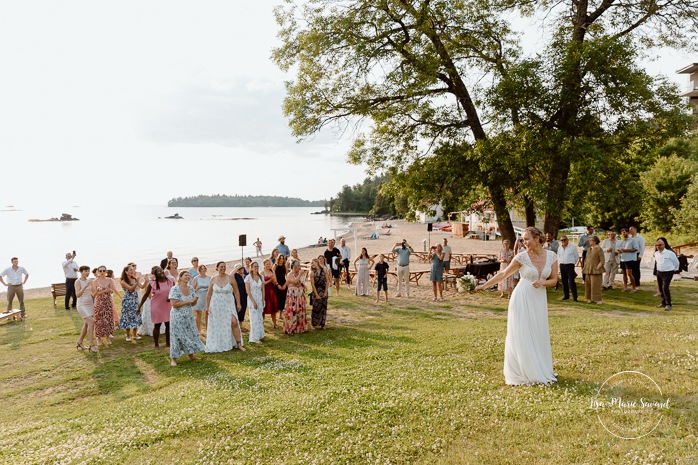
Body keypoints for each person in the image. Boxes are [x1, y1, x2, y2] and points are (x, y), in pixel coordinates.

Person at [475, 227, 557, 386]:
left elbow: (554, 280)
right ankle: (523, 370)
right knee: (522, 333)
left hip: (539, 298)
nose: (523, 242)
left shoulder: (552, 256)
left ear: (538, 238)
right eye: (523, 239)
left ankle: (540, 367)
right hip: (522, 297)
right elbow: (503, 274)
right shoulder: (521, 257)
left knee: (538, 331)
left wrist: (543, 282)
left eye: (527, 239)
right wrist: (483, 286)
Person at [168, 270, 207, 366]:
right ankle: (174, 359)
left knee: (189, 334)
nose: (188, 277)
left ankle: (191, 355)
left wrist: (195, 300)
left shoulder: (191, 288)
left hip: (188, 315)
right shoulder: (175, 289)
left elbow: (193, 303)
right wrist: (189, 301)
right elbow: (174, 304)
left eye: (189, 275)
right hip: (177, 316)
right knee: (177, 336)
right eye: (186, 275)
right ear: (180, 277)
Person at [205, 262, 245, 352]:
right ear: (217, 268)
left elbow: (236, 291)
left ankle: (239, 344)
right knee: (219, 324)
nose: (223, 268)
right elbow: (209, 294)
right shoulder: (213, 279)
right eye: (221, 267)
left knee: (234, 322)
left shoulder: (230, 278)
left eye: (224, 266)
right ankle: (221, 343)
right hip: (216, 305)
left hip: (228, 304)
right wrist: (207, 306)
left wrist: (238, 303)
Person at [139, 266, 174, 348]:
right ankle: (156, 344)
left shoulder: (170, 281)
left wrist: (171, 298)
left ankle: (168, 343)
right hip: (157, 306)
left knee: (168, 325)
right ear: (155, 275)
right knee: (157, 325)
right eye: (158, 272)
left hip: (167, 305)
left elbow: (174, 291)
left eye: (161, 271)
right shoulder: (153, 283)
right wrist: (139, 307)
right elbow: (146, 294)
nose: (161, 273)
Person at [91, 266, 117, 347]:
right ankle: (98, 338)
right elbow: (93, 294)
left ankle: (107, 337)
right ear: (98, 272)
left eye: (103, 270)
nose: (102, 272)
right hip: (99, 302)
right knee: (99, 319)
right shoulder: (95, 281)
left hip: (108, 302)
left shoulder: (110, 280)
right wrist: (104, 291)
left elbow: (113, 290)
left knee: (108, 319)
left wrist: (109, 291)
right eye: (100, 270)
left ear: (106, 271)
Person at [118, 264, 143, 341]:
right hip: (128, 300)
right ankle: (128, 336)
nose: (132, 271)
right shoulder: (123, 281)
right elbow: (131, 289)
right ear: (126, 272)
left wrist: (146, 281)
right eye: (130, 270)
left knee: (135, 315)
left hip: (135, 299)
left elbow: (142, 287)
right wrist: (137, 282)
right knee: (128, 317)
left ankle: (134, 335)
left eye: (133, 270)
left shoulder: (134, 279)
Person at [75, 265, 97, 352]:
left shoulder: (89, 281)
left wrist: (97, 289)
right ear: (81, 272)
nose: (87, 272)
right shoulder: (78, 281)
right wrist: (85, 286)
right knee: (91, 322)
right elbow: (77, 295)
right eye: (85, 271)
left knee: (87, 324)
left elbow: (93, 293)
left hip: (90, 304)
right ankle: (92, 345)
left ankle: (79, 342)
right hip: (82, 304)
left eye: (88, 271)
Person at [654, 237, 679, 311]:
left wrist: (674, 269)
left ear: (664, 245)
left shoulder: (670, 253)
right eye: (657, 245)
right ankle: (663, 302)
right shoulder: (656, 253)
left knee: (665, 287)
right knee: (661, 288)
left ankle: (668, 304)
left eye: (660, 245)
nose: (659, 246)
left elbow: (676, 262)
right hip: (659, 272)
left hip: (668, 272)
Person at [284, 259, 308, 334]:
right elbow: (295, 281)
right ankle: (292, 327)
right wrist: (300, 274)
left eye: (299, 266)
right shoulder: (289, 274)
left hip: (300, 294)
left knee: (300, 309)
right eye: (298, 266)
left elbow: (302, 282)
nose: (299, 268)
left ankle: (300, 327)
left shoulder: (299, 273)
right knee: (293, 309)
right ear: (294, 267)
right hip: (293, 294)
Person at [245, 261, 265, 343]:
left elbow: (263, 289)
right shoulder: (248, 278)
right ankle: (254, 338)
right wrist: (253, 302)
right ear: (251, 268)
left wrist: (263, 300)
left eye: (257, 266)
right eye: (254, 266)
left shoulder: (261, 277)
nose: (256, 268)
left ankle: (260, 334)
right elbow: (248, 291)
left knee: (259, 317)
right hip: (252, 299)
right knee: (254, 318)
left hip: (259, 298)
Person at [582, 236, 605, 304]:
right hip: (588, 269)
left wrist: (597, 267)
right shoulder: (589, 249)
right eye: (589, 240)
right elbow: (586, 259)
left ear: (595, 241)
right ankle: (590, 298)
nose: (590, 241)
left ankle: (599, 299)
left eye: (591, 240)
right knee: (588, 285)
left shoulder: (599, 249)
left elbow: (602, 260)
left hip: (596, 270)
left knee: (596, 285)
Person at [556, 236, 578, 302]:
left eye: (564, 240)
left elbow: (576, 256)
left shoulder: (572, 247)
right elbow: (558, 256)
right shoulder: (560, 248)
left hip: (570, 265)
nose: (563, 241)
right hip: (562, 265)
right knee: (564, 281)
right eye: (561, 240)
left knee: (571, 281)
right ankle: (566, 296)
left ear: (567, 240)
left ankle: (575, 297)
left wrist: (573, 263)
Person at [309, 258, 329, 329]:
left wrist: (326, 292)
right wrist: (316, 294)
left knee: (323, 307)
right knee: (316, 308)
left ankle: (322, 324)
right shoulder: (312, 273)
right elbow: (313, 285)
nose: (312, 264)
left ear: (316, 262)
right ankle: (313, 324)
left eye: (313, 262)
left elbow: (327, 281)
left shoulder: (324, 270)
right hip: (316, 291)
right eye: (311, 263)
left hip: (323, 290)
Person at [618, 228, 638, 293]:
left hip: (629, 259)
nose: (623, 233)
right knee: (624, 274)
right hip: (623, 259)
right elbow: (621, 250)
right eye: (622, 232)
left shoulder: (633, 240)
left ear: (628, 233)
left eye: (625, 232)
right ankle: (625, 287)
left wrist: (625, 250)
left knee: (629, 273)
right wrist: (619, 251)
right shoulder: (622, 241)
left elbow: (636, 249)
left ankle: (634, 288)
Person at [261, 259, 279, 328]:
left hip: (272, 290)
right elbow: (262, 284)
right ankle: (262, 325)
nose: (268, 265)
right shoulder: (262, 273)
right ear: (264, 265)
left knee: (273, 308)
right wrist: (270, 280)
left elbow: (275, 281)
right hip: (265, 291)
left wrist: (274, 279)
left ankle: (275, 324)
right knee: (264, 309)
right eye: (267, 264)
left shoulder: (272, 271)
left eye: (269, 264)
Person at [191, 264, 209, 334]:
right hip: (199, 297)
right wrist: (196, 289)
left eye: (204, 268)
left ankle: (208, 329)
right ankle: (199, 330)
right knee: (199, 314)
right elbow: (192, 290)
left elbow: (211, 288)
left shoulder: (209, 278)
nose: (203, 270)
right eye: (202, 269)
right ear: (199, 270)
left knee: (207, 313)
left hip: (206, 296)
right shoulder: (196, 278)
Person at [274, 254, 288, 325]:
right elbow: (274, 276)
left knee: (283, 299)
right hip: (277, 284)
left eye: (282, 258)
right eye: (280, 258)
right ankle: (276, 314)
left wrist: (285, 284)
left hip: (284, 283)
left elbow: (287, 275)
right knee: (277, 299)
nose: (281, 260)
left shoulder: (285, 266)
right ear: (278, 259)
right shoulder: (275, 266)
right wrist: (277, 284)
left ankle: (280, 314)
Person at [233, 264, 248, 331]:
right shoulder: (235, 276)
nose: (241, 270)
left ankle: (241, 324)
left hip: (245, 295)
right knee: (237, 308)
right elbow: (230, 275)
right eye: (239, 269)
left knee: (243, 308)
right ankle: (236, 324)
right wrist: (236, 268)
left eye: (242, 268)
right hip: (237, 294)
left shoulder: (246, 276)